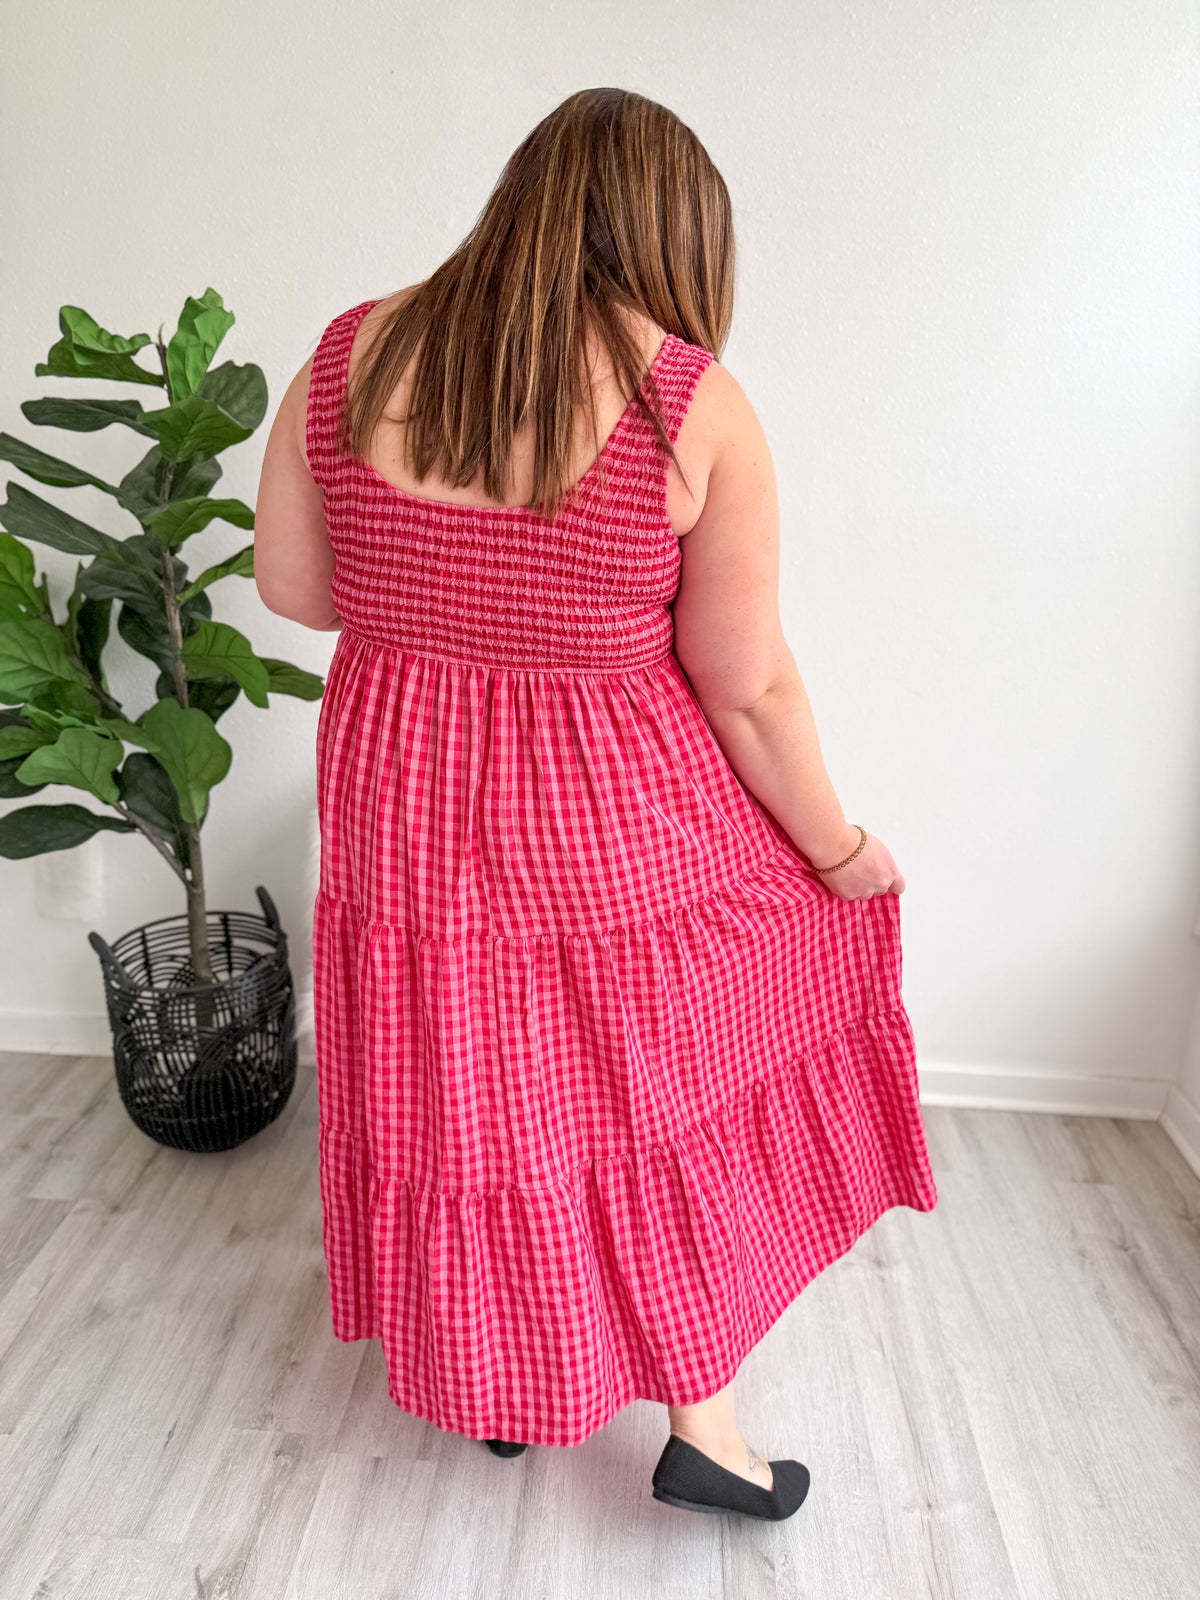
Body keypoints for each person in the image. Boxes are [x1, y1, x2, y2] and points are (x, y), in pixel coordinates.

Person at [254, 86, 938, 1524]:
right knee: (653, 1097)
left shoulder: (344, 355)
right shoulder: (689, 402)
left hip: (401, 803)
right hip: (609, 815)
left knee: (469, 1087)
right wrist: (838, 849)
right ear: (673, 240)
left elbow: (298, 594)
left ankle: (505, 1378)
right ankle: (707, 1429)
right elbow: (746, 688)